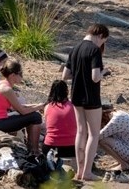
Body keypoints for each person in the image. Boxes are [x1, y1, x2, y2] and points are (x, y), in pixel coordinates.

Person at [64, 23, 110, 182]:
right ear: (100, 36)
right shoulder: (94, 50)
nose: (102, 44)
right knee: (94, 134)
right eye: (103, 41)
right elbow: (95, 77)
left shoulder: (75, 49)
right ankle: (87, 172)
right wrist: (104, 72)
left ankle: (79, 170)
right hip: (91, 97)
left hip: (76, 96)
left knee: (81, 132)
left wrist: (78, 74)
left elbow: (65, 75)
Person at [0, 59, 44, 154]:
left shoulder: (3, 84)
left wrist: (37, 105)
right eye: (20, 73)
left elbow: (17, 107)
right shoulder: (6, 89)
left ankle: (30, 145)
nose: (22, 77)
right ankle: (35, 150)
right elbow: (22, 111)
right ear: (13, 75)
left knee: (32, 114)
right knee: (36, 116)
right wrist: (38, 107)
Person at [43, 80, 77, 162]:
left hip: (50, 147)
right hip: (72, 148)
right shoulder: (74, 106)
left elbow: (47, 126)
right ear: (66, 91)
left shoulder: (47, 107)